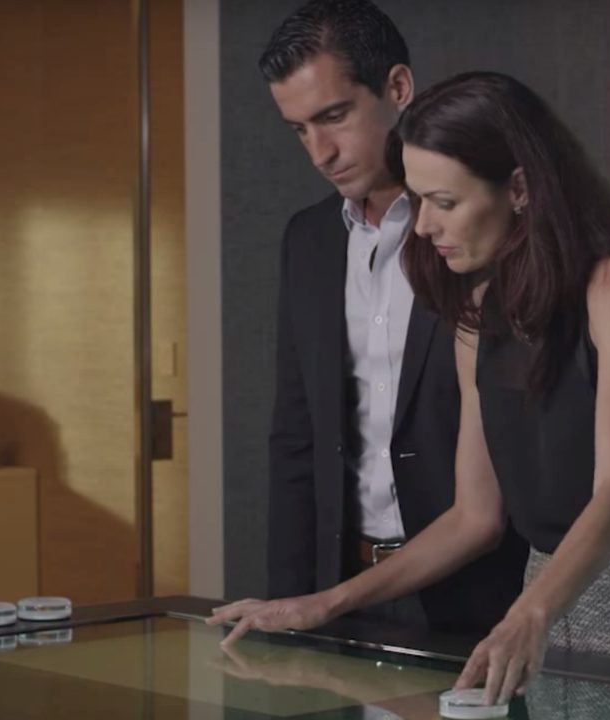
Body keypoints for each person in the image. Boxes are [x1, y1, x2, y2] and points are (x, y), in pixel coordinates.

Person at [211, 68, 610, 705]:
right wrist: (322, 604)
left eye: (445, 202)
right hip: (542, 611)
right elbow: (475, 518)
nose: (424, 227)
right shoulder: (476, 312)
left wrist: (528, 615)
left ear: (518, 187)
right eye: (420, 201)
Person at [212, 0, 527, 637]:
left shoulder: (480, 234)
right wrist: (292, 602)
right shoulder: (308, 240)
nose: (320, 152)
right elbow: (296, 439)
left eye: (334, 116)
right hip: (340, 591)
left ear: (398, 88)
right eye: (299, 129)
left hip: (481, 594)